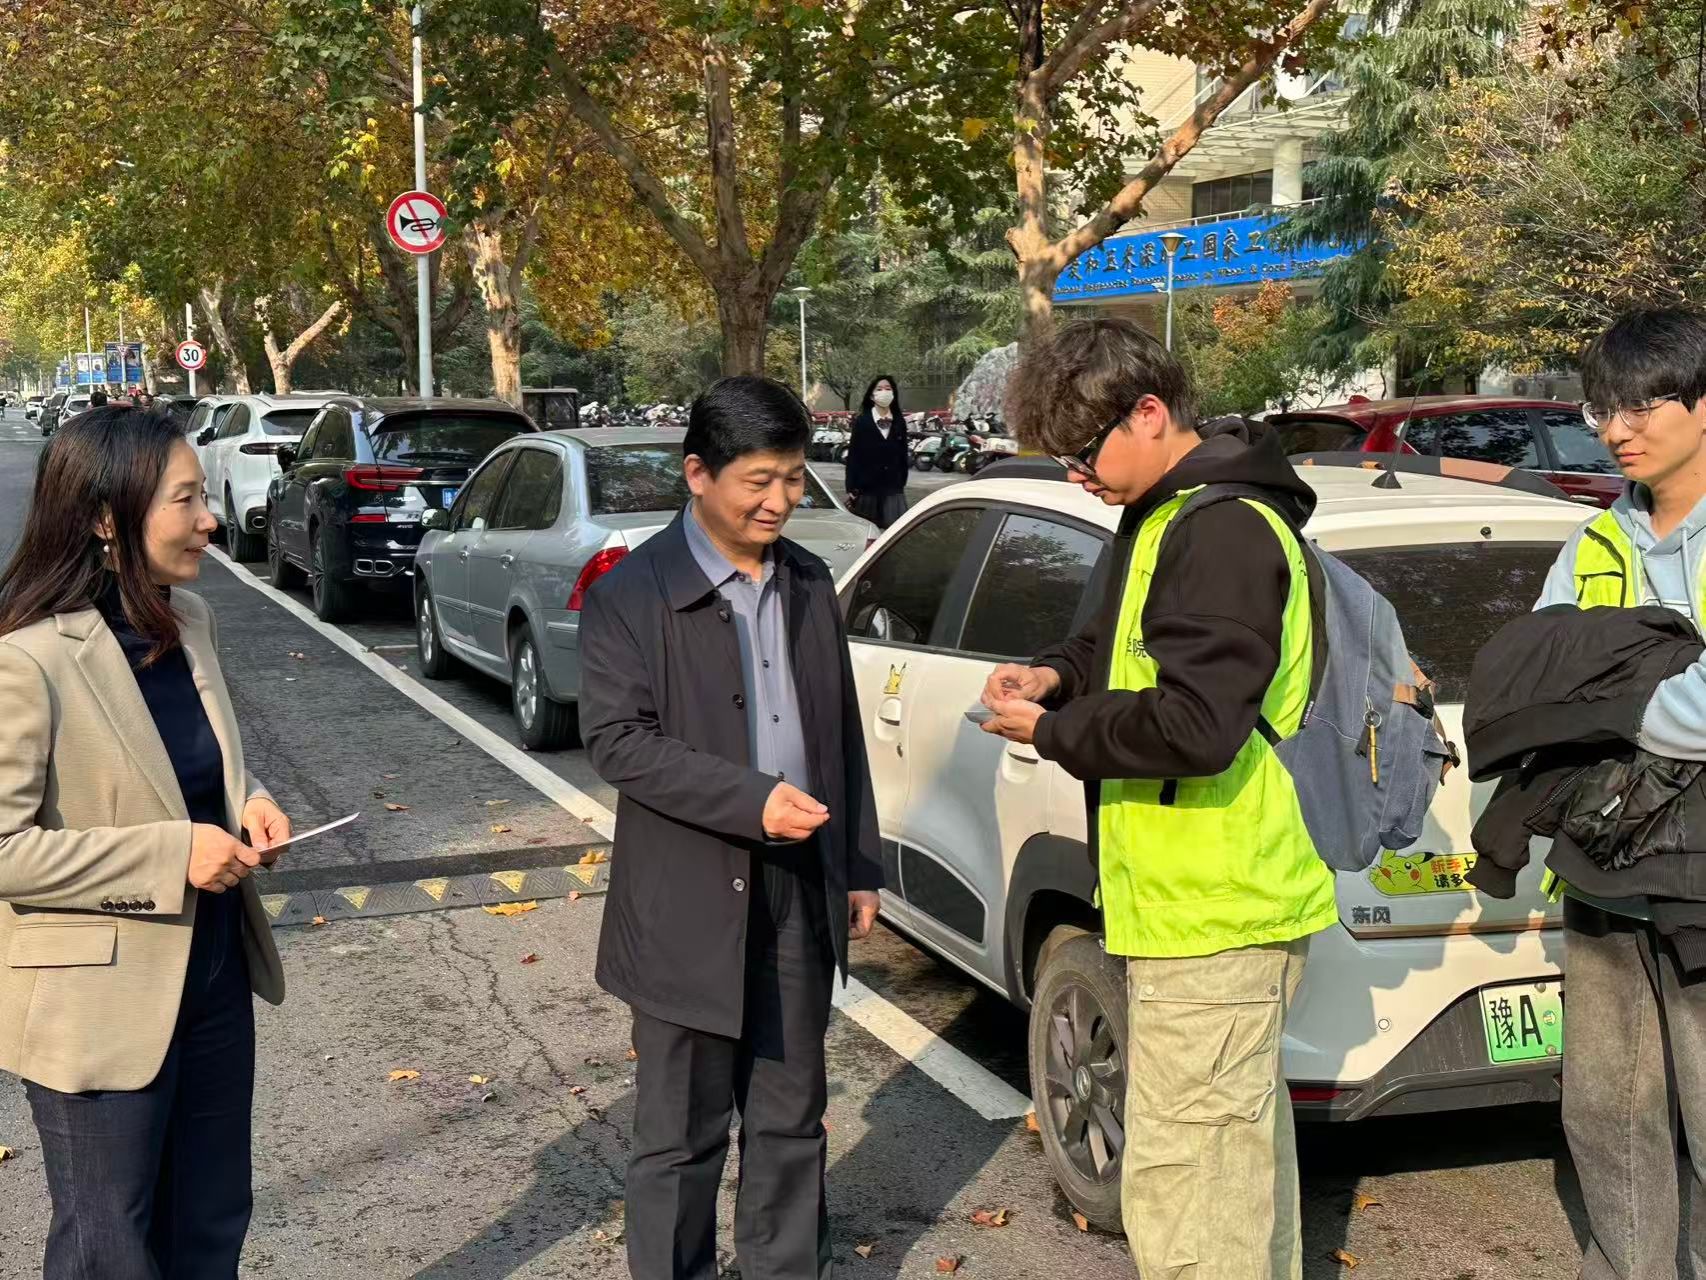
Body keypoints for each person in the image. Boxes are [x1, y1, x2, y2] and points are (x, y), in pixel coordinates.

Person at [979, 317, 1336, 1280]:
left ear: (1147, 412)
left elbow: (1197, 725)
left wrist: (1052, 733)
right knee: (1233, 1177)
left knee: (1188, 1195)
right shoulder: (1166, 515)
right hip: (1193, 906)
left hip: (1219, 909)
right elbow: (1119, 644)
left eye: (1082, 454)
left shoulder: (1221, 529)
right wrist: (1055, 676)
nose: (1077, 478)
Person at [577, 375, 884, 1280]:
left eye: (793, 478)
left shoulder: (807, 580)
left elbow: (839, 732)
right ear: (698, 475)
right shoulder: (632, 594)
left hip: (799, 889)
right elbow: (619, 742)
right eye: (759, 481)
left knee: (791, 1120)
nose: (779, 501)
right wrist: (752, 801)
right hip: (685, 899)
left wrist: (858, 864)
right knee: (680, 1136)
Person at [0, 405, 291, 1278]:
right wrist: (172, 855)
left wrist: (251, 803)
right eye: (185, 499)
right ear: (104, 516)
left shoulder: (189, 618)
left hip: (214, 972)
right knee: (110, 1246)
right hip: (96, 1000)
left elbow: (196, 769)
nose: (210, 520)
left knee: (211, 1222)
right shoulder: (28, 658)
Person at [1523, 306, 1706, 1280]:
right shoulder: (1594, 542)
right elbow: (1535, 677)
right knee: (1604, 1108)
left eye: (1642, 404)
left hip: (1699, 881)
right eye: (1602, 408)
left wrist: (1605, 700)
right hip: (1604, 868)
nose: (1616, 428)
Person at [843, 374, 910, 529]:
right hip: (867, 488)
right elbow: (854, 456)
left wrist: (901, 481)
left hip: (893, 489)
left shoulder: (899, 422)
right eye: (879, 389)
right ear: (872, 396)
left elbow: (903, 455)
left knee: (893, 533)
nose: (884, 392)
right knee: (867, 533)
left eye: (888, 388)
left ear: (893, 394)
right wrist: (851, 486)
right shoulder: (862, 422)